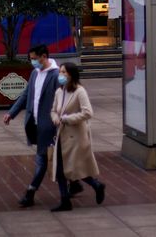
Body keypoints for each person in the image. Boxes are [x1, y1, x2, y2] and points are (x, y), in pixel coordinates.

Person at [4, 44, 63, 207]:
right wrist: (12, 112)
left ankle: (30, 192)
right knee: (57, 159)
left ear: (44, 56)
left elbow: (61, 101)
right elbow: (26, 95)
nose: (33, 62)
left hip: (49, 125)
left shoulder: (56, 75)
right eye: (31, 59)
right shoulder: (34, 73)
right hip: (35, 123)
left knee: (42, 160)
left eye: (35, 59)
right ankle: (85, 183)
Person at [50, 62, 105, 212]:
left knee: (75, 168)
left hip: (76, 136)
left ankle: (96, 185)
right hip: (62, 135)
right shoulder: (59, 92)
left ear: (71, 75)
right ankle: (65, 200)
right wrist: (55, 118)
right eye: (60, 72)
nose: (60, 76)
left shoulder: (80, 91)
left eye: (64, 73)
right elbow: (54, 110)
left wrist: (68, 118)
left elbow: (88, 113)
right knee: (60, 169)